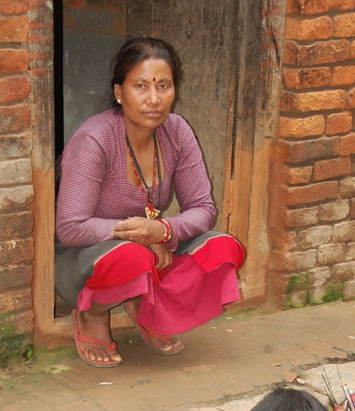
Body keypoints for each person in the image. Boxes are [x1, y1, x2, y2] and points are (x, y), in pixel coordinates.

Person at [55, 37, 245, 368]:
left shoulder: (177, 132)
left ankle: (150, 307)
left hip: (148, 244)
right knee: (131, 256)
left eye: (164, 86)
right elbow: (70, 227)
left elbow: (203, 208)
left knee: (224, 248)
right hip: (81, 262)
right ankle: (93, 314)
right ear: (119, 91)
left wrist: (164, 229)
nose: (153, 99)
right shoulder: (95, 139)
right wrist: (141, 237)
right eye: (140, 86)